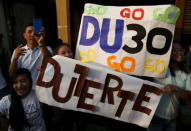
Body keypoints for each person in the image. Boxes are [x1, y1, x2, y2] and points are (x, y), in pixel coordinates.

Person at [149, 41, 191, 131]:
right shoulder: (158, 68)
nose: (178, 53)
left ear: (184, 51)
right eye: (174, 50)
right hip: (155, 117)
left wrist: (175, 88)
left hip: (173, 119)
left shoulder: (187, 73)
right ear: (168, 52)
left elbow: (188, 96)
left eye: (181, 50)